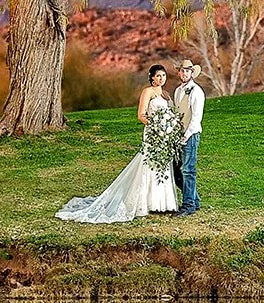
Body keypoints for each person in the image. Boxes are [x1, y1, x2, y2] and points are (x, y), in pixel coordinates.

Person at [57, 64, 181, 223]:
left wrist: (169, 126)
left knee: (162, 165)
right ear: (151, 78)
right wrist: (155, 125)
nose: (161, 78)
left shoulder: (165, 94)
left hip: (164, 136)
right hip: (152, 133)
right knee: (149, 164)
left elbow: (169, 114)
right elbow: (141, 115)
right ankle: (144, 204)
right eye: (158, 76)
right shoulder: (147, 92)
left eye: (163, 75)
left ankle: (161, 203)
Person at [172, 59, 205, 215]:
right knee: (177, 171)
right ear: (179, 72)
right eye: (182, 71)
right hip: (178, 136)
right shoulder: (178, 91)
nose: (184, 73)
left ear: (192, 73)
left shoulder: (197, 91)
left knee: (188, 170)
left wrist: (185, 136)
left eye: (187, 71)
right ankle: (195, 200)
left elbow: (196, 118)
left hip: (191, 135)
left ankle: (188, 206)